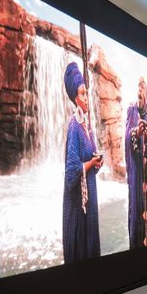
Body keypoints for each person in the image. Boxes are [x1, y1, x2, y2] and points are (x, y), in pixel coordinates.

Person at [61, 62, 102, 263]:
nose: (87, 98)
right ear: (76, 98)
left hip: (90, 196)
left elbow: (88, 158)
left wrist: (96, 163)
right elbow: (71, 172)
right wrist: (89, 163)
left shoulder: (87, 125)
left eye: (87, 93)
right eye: (83, 94)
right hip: (79, 205)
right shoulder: (74, 126)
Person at [124, 76, 147, 249]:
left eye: (143, 90)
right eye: (139, 90)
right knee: (137, 217)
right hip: (137, 177)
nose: (141, 93)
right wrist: (136, 133)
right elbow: (126, 138)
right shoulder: (131, 111)